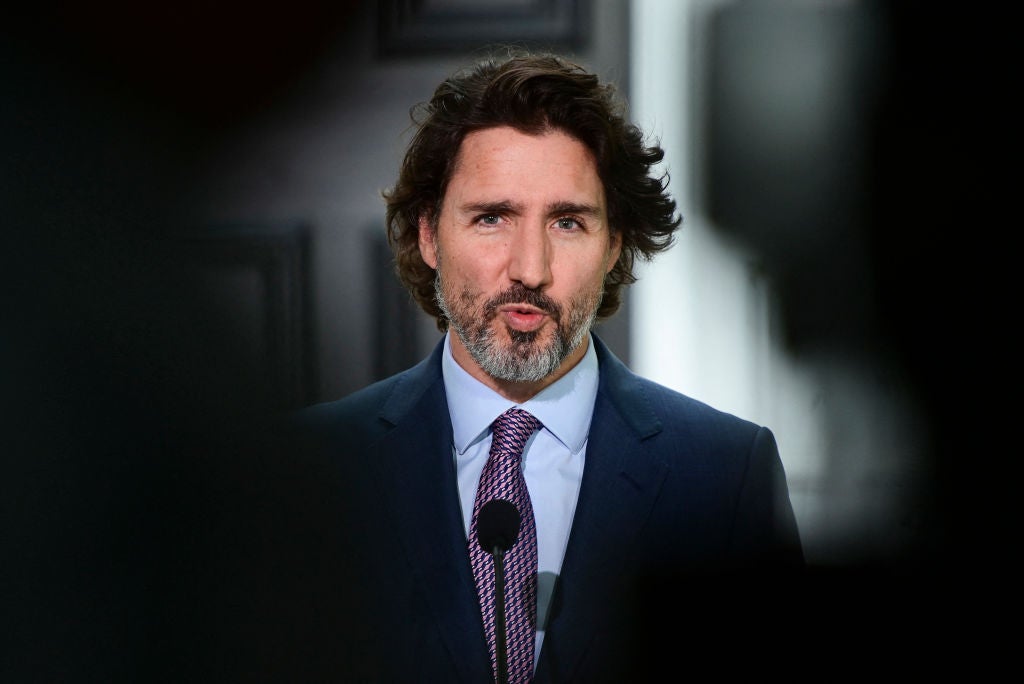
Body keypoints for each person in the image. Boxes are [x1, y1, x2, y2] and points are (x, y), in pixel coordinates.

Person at [289, 50, 804, 682]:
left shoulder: (725, 473)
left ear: (614, 243)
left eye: (567, 222)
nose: (529, 268)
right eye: (491, 218)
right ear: (428, 235)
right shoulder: (308, 469)